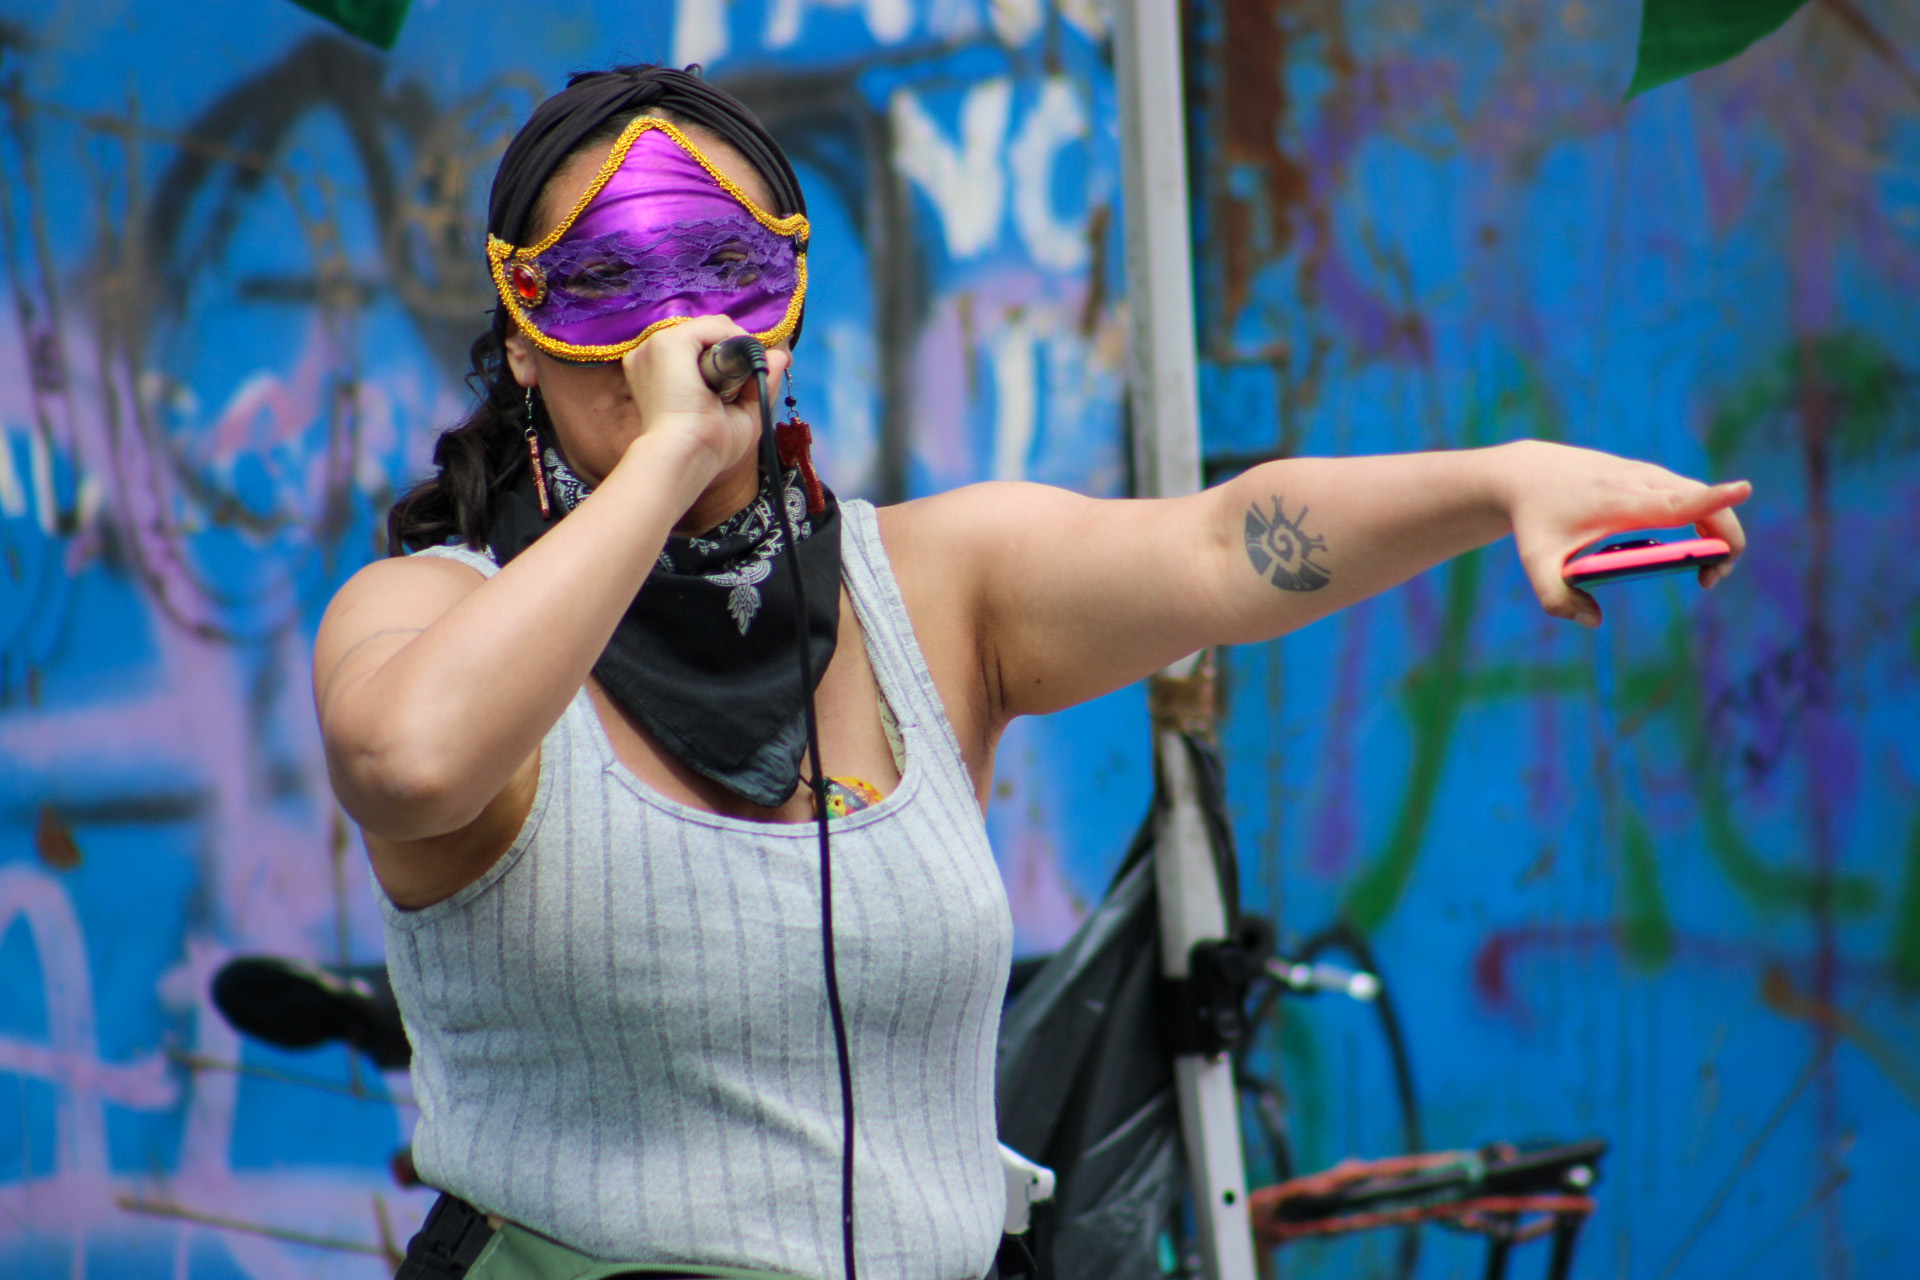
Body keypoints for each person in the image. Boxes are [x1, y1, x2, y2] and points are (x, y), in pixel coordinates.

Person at [313, 65, 1749, 1280]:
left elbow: (1223, 547)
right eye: (606, 289)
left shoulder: (936, 587)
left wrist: (1501, 481)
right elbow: (415, 762)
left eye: (720, 276)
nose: (666, 333)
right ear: (520, 335)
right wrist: (675, 449)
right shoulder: (423, 613)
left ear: (786, 297)